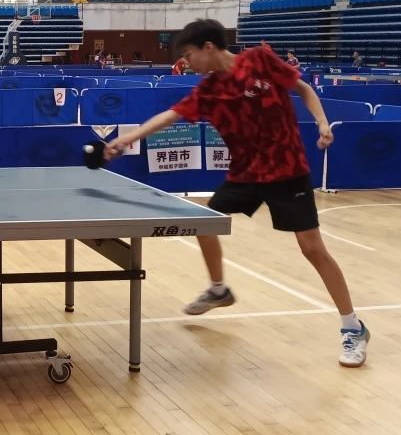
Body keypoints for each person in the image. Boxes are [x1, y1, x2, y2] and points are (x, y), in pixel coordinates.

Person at [104, 19, 369, 367]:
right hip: (246, 173)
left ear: (208, 47)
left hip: (287, 170)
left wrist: (321, 121)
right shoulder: (209, 89)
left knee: (312, 249)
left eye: (189, 55)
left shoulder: (260, 60)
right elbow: (171, 115)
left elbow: (302, 88)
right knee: (204, 222)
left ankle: (353, 328)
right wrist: (129, 138)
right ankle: (219, 289)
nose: (186, 63)